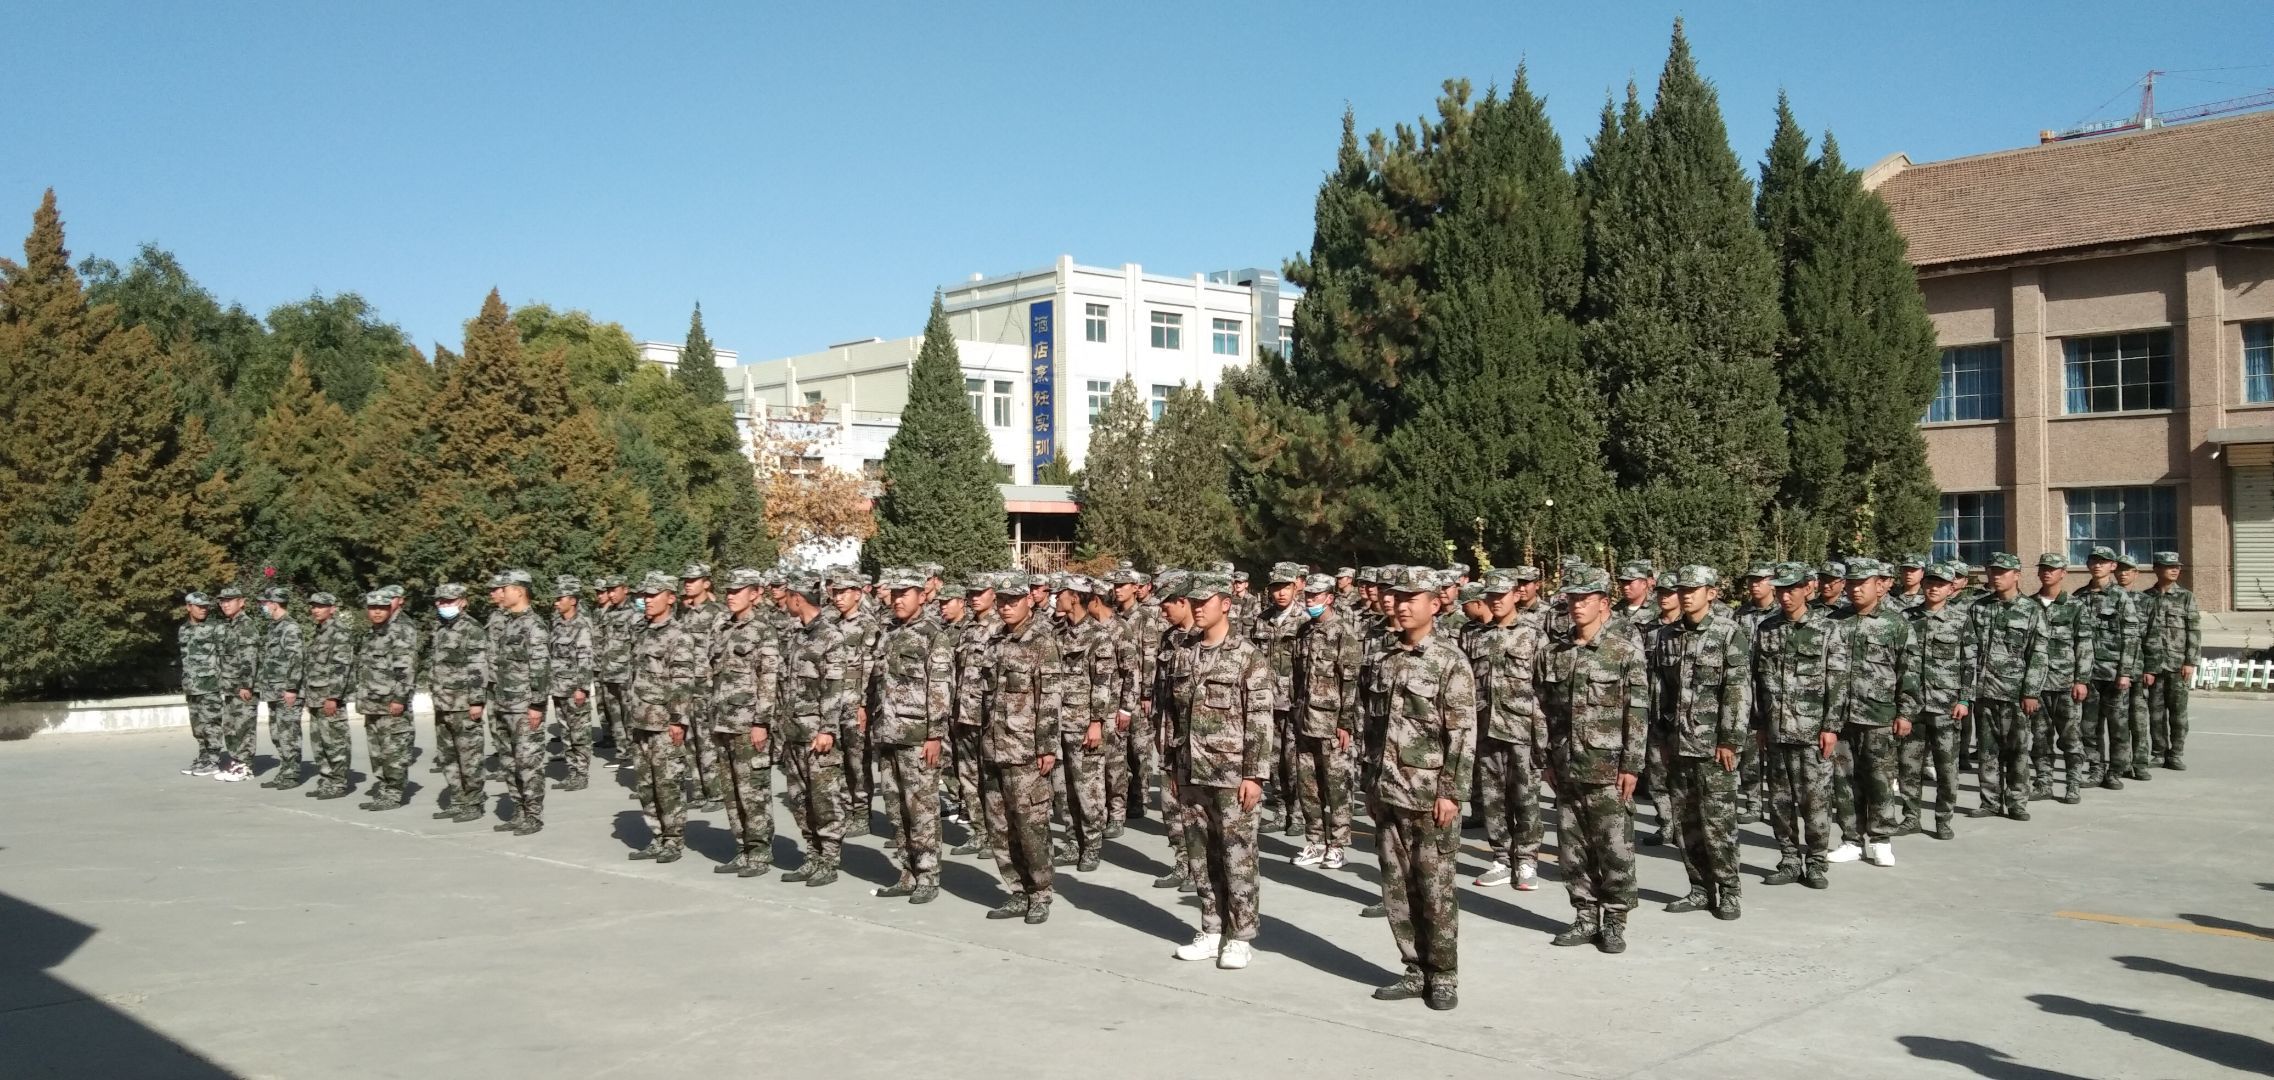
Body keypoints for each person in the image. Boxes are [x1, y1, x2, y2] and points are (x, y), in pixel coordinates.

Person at [1364, 565, 1475, 1007]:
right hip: (1388, 791)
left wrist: (1451, 791)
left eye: (1413, 598)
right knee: (1397, 888)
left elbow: (1462, 733)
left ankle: (1443, 974)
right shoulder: (1382, 658)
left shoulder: (1450, 661)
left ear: (1435, 604)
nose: (1403, 605)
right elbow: (1371, 728)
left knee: (1436, 890)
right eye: (1398, 597)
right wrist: (1370, 784)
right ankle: (1414, 969)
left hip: (1430, 796)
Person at [1165, 572, 1273, 971]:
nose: (1197, 608)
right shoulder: (1184, 653)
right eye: (1192, 602)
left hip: (1231, 774)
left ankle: (1240, 936)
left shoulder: (1247, 656)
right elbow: (1172, 715)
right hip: (1190, 770)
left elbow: (1260, 719)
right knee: (1200, 855)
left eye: (1204, 602)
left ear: (1225, 604)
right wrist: (1172, 764)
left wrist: (1254, 775)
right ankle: (1211, 929)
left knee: (1237, 856)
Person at [1536, 566, 1645, 952]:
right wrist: (1545, 759)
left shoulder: (1624, 652)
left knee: (1614, 847)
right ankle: (1584, 916)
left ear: (1603, 603)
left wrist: (1632, 765)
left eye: (1585, 598)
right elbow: (1541, 710)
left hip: (1608, 768)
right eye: (1571, 598)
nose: (1577, 605)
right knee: (1573, 849)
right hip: (1566, 765)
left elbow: (1638, 711)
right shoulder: (1553, 653)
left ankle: (1614, 920)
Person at [1652, 566, 1750, 919]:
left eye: (1694, 589)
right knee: (1686, 823)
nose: (1686, 595)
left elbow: (1737, 691)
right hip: (1678, 744)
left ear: (1711, 593)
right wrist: (1661, 738)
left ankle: (1730, 890)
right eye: (1682, 589)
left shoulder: (1728, 633)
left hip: (1713, 748)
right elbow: (1660, 690)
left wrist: (1730, 740)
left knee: (1719, 823)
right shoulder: (1667, 635)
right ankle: (1699, 888)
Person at [1754, 562, 1844, 890]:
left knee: (1815, 801)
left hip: (1811, 732)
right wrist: (1759, 724)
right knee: (1779, 802)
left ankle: (1817, 862)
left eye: (1792, 589)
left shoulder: (1827, 629)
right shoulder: (1766, 628)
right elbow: (1757, 680)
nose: (1785, 596)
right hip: (1777, 730)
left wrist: (1831, 726)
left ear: (1807, 588)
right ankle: (1789, 860)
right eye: (1780, 589)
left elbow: (1837, 680)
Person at [979, 579, 1063, 924]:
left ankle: (1040, 893)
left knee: (1031, 826)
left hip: (1026, 750)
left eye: (1013, 600)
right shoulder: (994, 641)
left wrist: (1047, 746)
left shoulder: (1042, 642)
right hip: (993, 747)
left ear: (1029, 599)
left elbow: (1050, 698)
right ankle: (1017, 890)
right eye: (1001, 600)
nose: (1006, 606)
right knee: (1000, 826)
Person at [1824, 560, 1918, 868]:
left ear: (1878, 585)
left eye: (1861, 583)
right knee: (1843, 780)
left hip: (1879, 715)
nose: (1855, 589)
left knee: (1879, 779)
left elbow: (1909, 671)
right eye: (1851, 583)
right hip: (1839, 716)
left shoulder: (1895, 624)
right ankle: (1851, 839)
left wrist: (1906, 712)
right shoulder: (1834, 622)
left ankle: (1880, 839)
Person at [868, 569, 953, 903]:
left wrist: (935, 735)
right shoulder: (888, 632)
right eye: (894, 594)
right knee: (896, 809)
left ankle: (928, 875)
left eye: (905, 593)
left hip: (918, 737)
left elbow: (940, 688)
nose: (898, 599)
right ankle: (907, 872)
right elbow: (878, 683)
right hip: (887, 733)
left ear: (921, 595)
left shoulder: (933, 635)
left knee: (922, 810)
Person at [1471, 568, 1547, 892]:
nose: (1496, 601)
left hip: (1522, 730)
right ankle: (1501, 859)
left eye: (1501, 595)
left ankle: (1527, 860)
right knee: (1493, 799)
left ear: (1516, 595)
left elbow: (1545, 689)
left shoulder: (1534, 636)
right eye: (1490, 596)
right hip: (1487, 729)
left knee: (1525, 798)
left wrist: (1542, 736)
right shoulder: (1478, 636)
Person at [778, 575, 856, 887]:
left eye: (787, 596)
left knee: (825, 799)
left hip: (816, 733)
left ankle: (829, 859)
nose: (784, 602)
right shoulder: (796, 634)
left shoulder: (830, 635)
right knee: (800, 800)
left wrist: (828, 729)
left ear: (797, 598)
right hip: (794, 730)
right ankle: (812, 855)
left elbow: (835, 686)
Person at [1960, 553, 2048, 822]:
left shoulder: (2031, 610)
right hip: (1984, 691)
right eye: (1992, 571)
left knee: (2017, 751)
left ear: (2017, 575)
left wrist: (2031, 692)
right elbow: (1968, 651)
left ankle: (2017, 801)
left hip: (2015, 694)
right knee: (1987, 751)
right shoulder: (1979, 608)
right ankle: (1990, 801)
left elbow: (2039, 654)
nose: (1996, 576)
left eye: (2002, 572)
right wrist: (1967, 691)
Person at [711, 568, 780, 878]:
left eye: (737, 590)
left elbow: (769, 678)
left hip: (748, 724)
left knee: (753, 792)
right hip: (722, 722)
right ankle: (742, 849)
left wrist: (761, 722)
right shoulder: (721, 627)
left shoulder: (763, 630)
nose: (730, 595)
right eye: (728, 590)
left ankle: (760, 852)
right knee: (731, 792)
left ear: (755, 594)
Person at [1290, 572, 1361, 871]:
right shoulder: (1304, 631)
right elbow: (1297, 677)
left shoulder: (1343, 632)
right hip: (1305, 720)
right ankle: (1315, 841)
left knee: (1337, 786)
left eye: (1316, 596)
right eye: (1307, 596)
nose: (1310, 601)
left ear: (1330, 598)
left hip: (1331, 723)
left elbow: (1350, 682)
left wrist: (1345, 723)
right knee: (1308, 785)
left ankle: (1338, 845)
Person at [625, 572, 695, 863]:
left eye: (654, 595)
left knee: (668, 783)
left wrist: (678, 720)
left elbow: (682, 681)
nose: (648, 600)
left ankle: (673, 839)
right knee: (646, 785)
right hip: (640, 719)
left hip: (664, 722)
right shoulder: (641, 631)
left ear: (670, 598)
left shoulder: (678, 635)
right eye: (645, 595)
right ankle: (657, 836)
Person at [1901, 563, 1968, 840]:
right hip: (1912, 704)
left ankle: (1944, 818)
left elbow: (1969, 663)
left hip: (1946, 704)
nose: (1934, 588)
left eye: (1940, 584)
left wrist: (1965, 699)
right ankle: (1911, 817)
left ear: (1951, 588)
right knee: (1909, 765)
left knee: (1946, 767)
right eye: (1929, 582)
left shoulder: (1960, 620)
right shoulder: (1906, 618)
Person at [1050, 575, 1111, 872]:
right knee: (1062, 790)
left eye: (1060, 593)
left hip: (1083, 723)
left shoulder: (1099, 635)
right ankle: (1073, 842)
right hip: (1057, 722)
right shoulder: (1057, 632)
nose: (1055, 597)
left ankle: (1092, 845)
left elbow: (1102, 682)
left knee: (1088, 790)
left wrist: (1096, 722)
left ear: (1074, 597)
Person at [487, 569, 551, 836]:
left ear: (519, 591)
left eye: (505, 588)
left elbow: (540, 667)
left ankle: (533, 815)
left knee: (528, 763)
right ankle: (519, 811)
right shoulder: (507, 623)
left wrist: (537, 704)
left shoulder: (534, 625)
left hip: (524, 707)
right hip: (503, 704)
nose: (501, 593)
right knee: (509, 763)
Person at [2072, 547, 2141, 789]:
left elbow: (2131, 636)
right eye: (2093, 561)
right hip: (2087, 673)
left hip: (2113, 674)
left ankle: (2115, 771)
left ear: (2113, 566)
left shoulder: (2121, 597)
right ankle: (2096, 768)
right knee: (2088, 726)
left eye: (2103, 562)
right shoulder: (2079, 597)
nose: (2097, 565)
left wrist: (2125, 672)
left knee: (2118, 726)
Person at [425, 583, 491, 823]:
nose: (444, 605)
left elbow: (478, 667)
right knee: (448, 757)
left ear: (463, 601)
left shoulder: (472, 629)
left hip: (463, 705)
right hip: (443, 704)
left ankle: (473, 803)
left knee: (469, 758)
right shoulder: (440, 628)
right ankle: (457, 800)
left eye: (449, 601)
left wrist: (476, 701)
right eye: (441, 601)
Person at [2027, 554, 2090, 804]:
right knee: (2040, 738)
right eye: (2043, 568)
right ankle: (2043, 783)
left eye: (2052, 569)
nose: (2047, 573)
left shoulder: (2075, 606)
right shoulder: (2029, 605)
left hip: (2066, 684)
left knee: (2071, 738)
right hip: (2038, 685)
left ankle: (2073, 783)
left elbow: (2084, 645)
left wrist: (2081, 679)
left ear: (2063, 573)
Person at [949, 576, 1001, 859]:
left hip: (988, 714)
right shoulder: (966, 628)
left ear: (993, 594)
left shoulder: (1001, 627)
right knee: (968, 776)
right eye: (971, 593)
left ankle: (998, 835)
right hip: (964, 713)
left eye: (981, 592)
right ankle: (980, 832)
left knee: (992, 779)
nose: (975, 598)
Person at [353, 589, 418, 811]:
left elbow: (406, 669)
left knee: (394, 752)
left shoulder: (399, 632)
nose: (377, 612)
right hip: (372, 704)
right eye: (373, 608)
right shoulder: (371, 634)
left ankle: (393, 794)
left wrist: (399, 698)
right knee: (377, 753)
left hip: (391, 704)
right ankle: (383, 789)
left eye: (382, 608)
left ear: (390, 609)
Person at [2140, 552, 2201, 772]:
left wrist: (2190, 662)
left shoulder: (2186, 597)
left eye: (2177, 566)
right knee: (2156, 713)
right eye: (2169, 566)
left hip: (2177, 665)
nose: (2175, 570)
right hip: (2154, 666)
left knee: (2179, 715)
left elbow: (2194, 631)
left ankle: (2176, 753)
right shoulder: (2146, 598)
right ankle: (2158, 753)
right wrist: (2145, 665)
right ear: (2156, 569)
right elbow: (2142, 634)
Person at [679, 563, 728, 813]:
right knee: (689, 739)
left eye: (693, 580)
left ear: (706, 583)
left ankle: (715, 792)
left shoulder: (718, 613)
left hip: (707, 685)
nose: (688, 584)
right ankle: (698, 790)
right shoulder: (686, 615)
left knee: (707, 740)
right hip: (687, 685)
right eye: (686, 580)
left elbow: (721, 652)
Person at [299, 593, 355, 800]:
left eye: (321, 606)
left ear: (333, 608)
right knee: (320, 743)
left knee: (335, 742)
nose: (316, 610)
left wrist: (333, 697)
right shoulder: (320, 631)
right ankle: (326, 780)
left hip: (329, 698)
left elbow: (341, 667)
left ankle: (338, 783)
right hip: (316, 697)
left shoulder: (339, 631)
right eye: (313, 606)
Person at [253, 588, 307, 788]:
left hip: (286, 691)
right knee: (277, 734)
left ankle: (292, 774)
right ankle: (285, 771)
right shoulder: (274, 627)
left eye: (265, 603)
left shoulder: (290, 627)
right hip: (274, 691)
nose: (262, 607)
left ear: (274, 604)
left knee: (289, 734)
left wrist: (292, 688)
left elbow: (296, 658)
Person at [548, 576, 597, 791]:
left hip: (574, 689)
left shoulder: (581, 626)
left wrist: (582, 688)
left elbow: (585, 659)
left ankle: (582, 774)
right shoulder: (557, 624)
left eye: (561, 598)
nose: (556, 602)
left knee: (580, 735)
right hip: (558, 687)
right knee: (566, 734)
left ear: (573, 601)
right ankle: (572, 772)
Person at [214, 586, 260, 783]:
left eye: (230, 600)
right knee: (231, 727)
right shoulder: (230, 625)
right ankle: (236, 763)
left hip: (242, 688)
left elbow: (249, 658)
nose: (225, 604)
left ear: (241, 602)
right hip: (230, 687)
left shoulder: (246, 626)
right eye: (222, 601)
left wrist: (246, 685)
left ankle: (245, 767)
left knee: (244, 727)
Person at [591, 575, 638, 759]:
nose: (610, 594)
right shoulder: (607, 613)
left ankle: (634, 751)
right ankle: (622, 751)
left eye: (614, 590)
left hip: (625, 674)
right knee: (614, 715)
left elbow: (637, 646)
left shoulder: (634, 614)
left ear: (625, 589)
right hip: (608, 672)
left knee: (629, 714)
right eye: (608, 590)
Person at [178, 592, 225, 776]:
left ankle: (213, 760)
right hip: (191, 686)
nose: (204, 609)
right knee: (197, 726)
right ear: (188, 607)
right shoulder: (183, 629)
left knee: (211, 723)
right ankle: (203, 758)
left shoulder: (215, 628)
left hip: (209, 685)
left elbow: (224, 654)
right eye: (199, 606)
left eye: (206, 606)